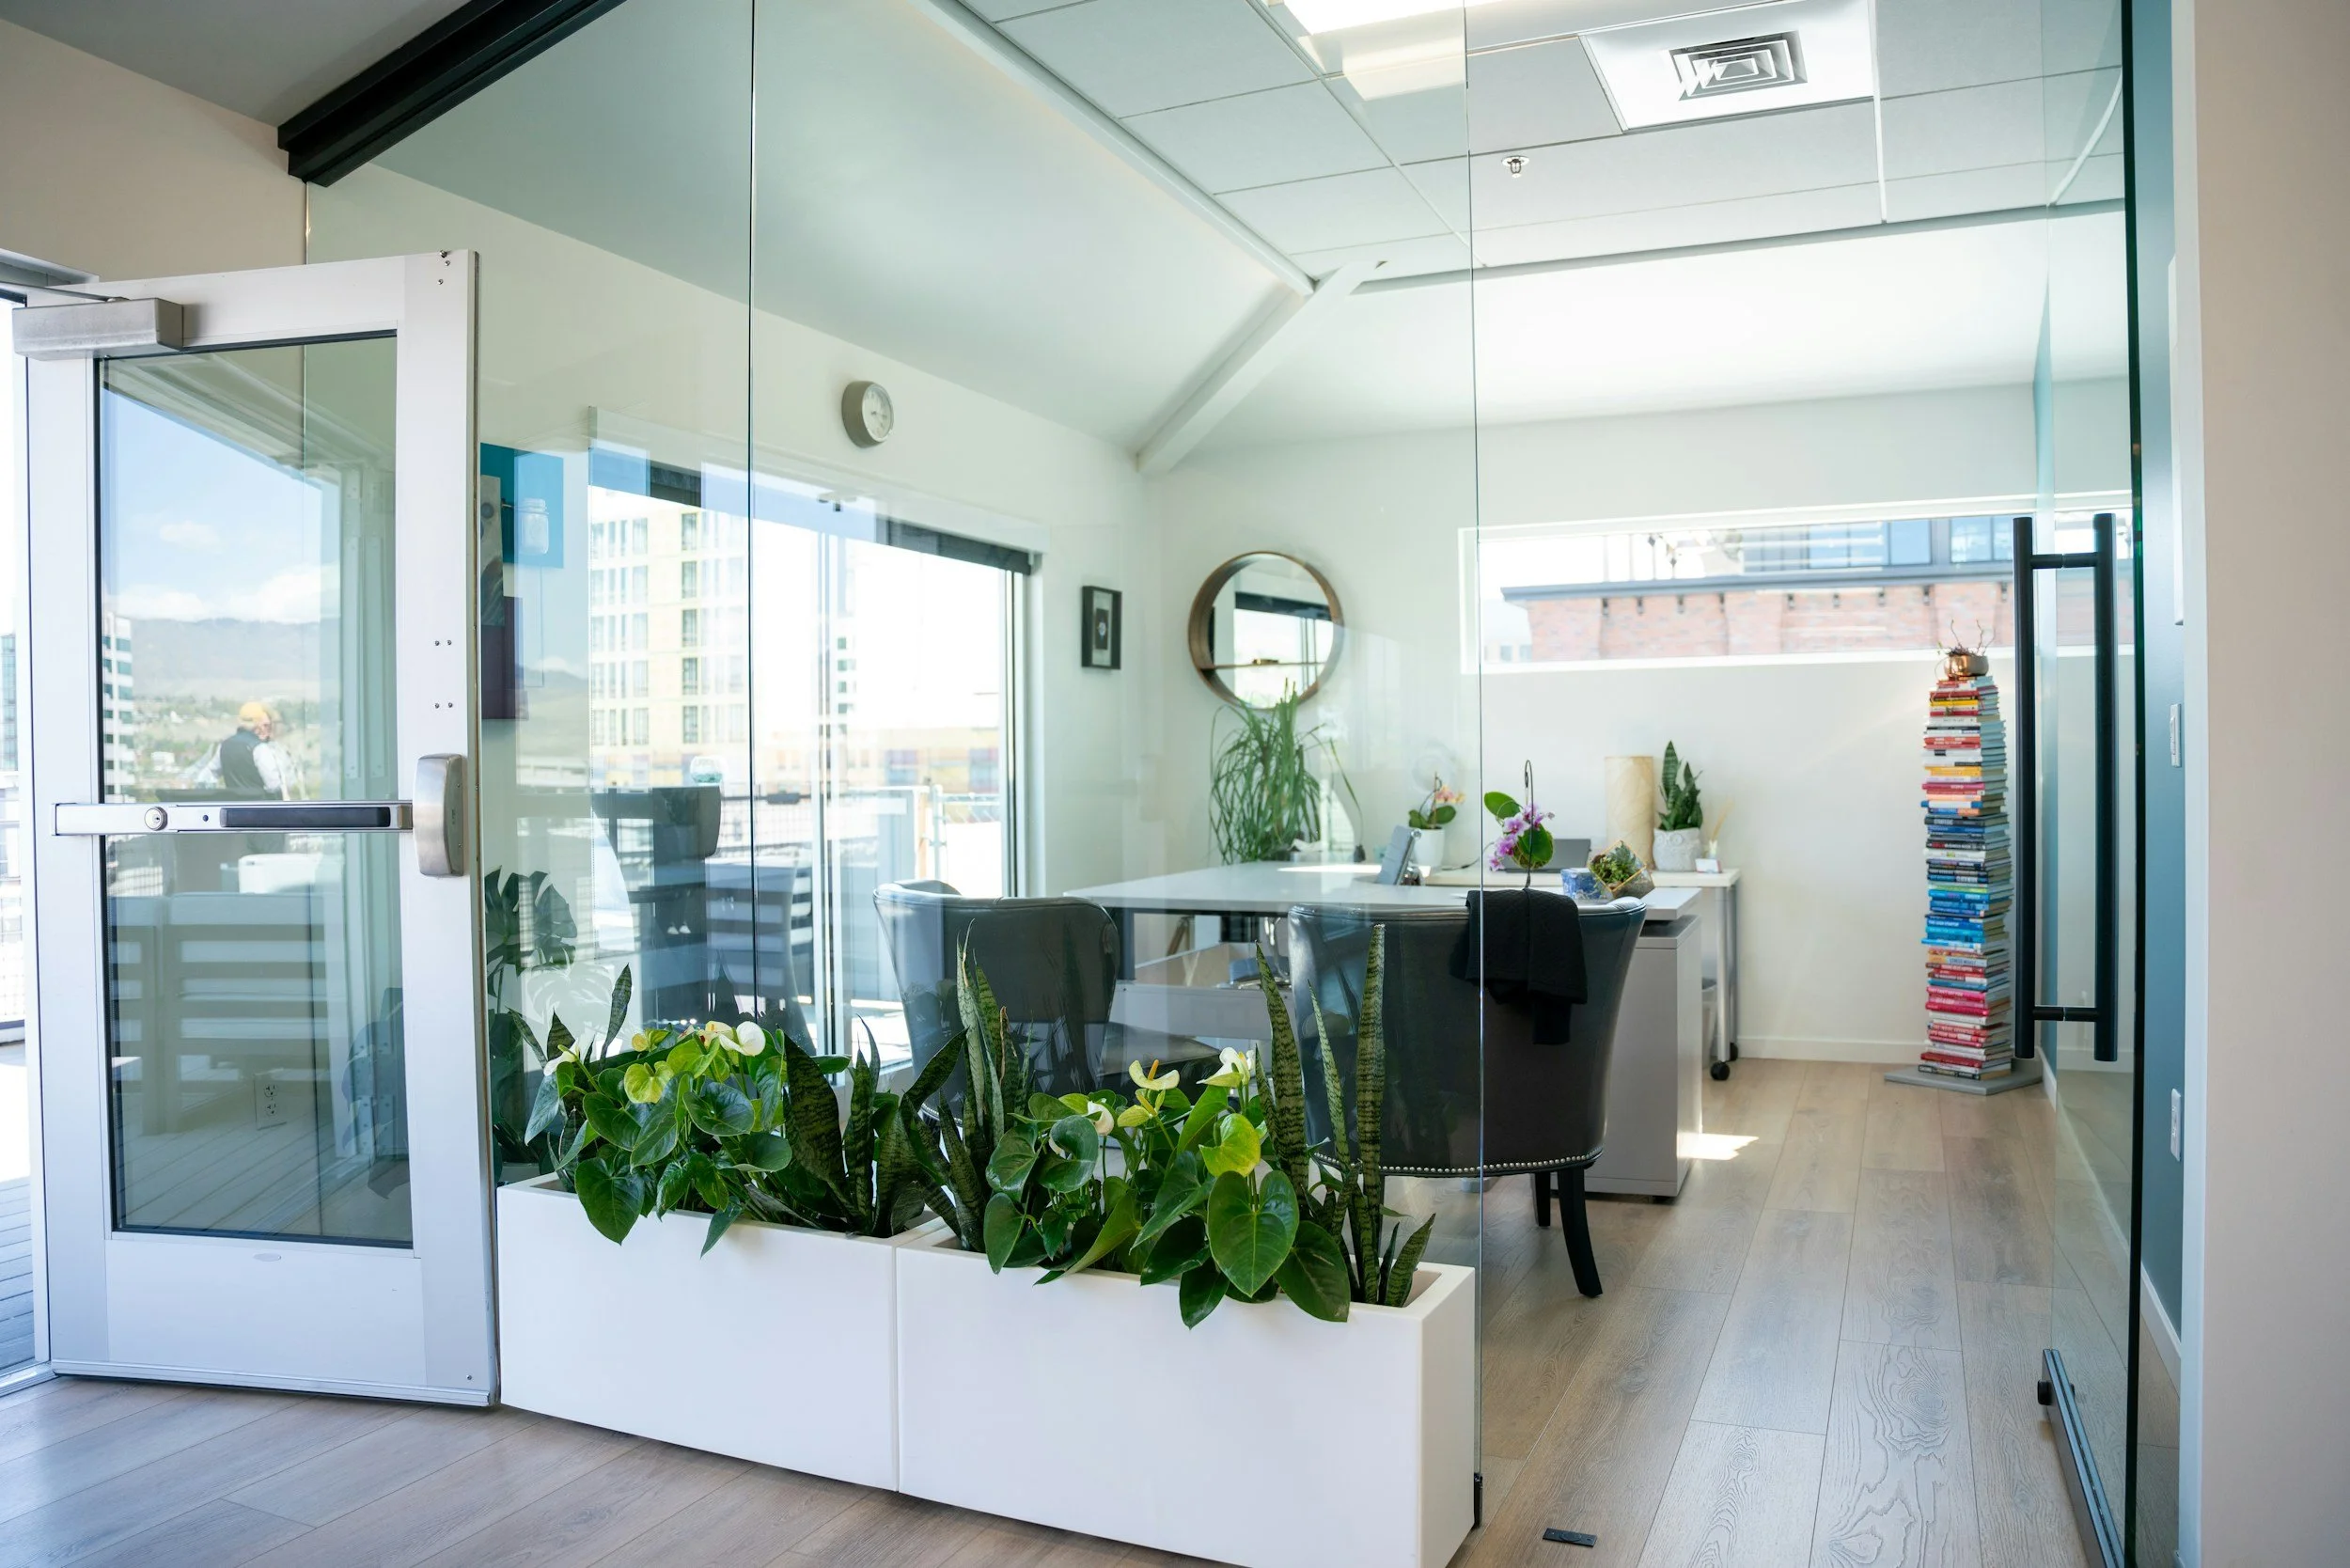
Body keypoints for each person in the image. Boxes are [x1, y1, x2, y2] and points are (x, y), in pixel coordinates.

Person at [198, 701, 295, 800]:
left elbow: (206, 776)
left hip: (233, 806)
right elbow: (273, 785)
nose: (266, 729)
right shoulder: (259, 748)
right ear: (258, 725)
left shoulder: (224, 746)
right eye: (265, 725)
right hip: (257, 806)